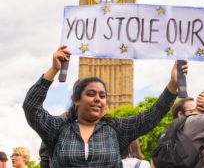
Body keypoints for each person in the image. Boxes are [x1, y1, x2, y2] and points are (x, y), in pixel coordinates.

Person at [23, 46, 187, 168]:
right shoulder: (58, 128)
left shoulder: (115, 128)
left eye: (102, 96)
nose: (97, 99)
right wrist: (53, 70)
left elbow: (152, 116)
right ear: (76, 99)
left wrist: (173, 84)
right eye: (91, 94)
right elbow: (31, 107)